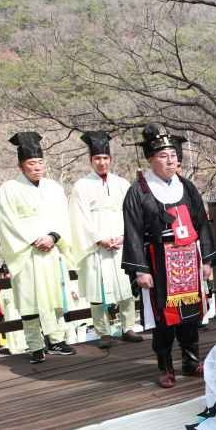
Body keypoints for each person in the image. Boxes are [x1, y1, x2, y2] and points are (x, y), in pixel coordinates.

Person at [122, 124, 215, 388]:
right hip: (158, 261)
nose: (170, 159)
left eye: (173, 154)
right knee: (164, 316)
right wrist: (140, 269)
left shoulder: (187, 187)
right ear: (151, 160)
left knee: (190, 314)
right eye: (163, 155)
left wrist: (207, 259)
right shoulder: (138, 191)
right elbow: (133, 232)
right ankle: (165, 365)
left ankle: (191, 359)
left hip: (189, 257)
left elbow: (202, 224)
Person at [0, 132, 76, 364]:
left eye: (40, 163)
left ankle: (57, 340)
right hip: (26, 252)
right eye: (32, 163)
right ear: (21, 166)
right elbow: (6, 221)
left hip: (51, 250)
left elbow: (63, 216)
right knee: (29, 298)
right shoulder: (8, 188)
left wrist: (53, 236)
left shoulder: (54, 187)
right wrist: (33, 239)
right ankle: (35, 344)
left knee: (54, 295)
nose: (37, 167)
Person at [69, 131, 142, 348]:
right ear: (91, 160)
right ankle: (103, 332)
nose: (102, 163)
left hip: (120, 242)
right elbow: (78, 217)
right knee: (97, 289)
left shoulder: (121, 183)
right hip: (96, 245)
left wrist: (123, 236)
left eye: (105, 158)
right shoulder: (81, 186)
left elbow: (132, 213)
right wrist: (98, 239)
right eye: (97, 159)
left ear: (111, 160)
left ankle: (128, 326)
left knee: (125, 288)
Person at [0, 264, 27, 354]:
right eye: (6, 273)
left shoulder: (19, 284)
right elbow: (1, 304)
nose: (8, 275)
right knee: (12, 330)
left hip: (20, 310)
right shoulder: (3, 289)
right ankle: (14, 348)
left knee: (22, 328)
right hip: (9, 312)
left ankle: (25, 345)